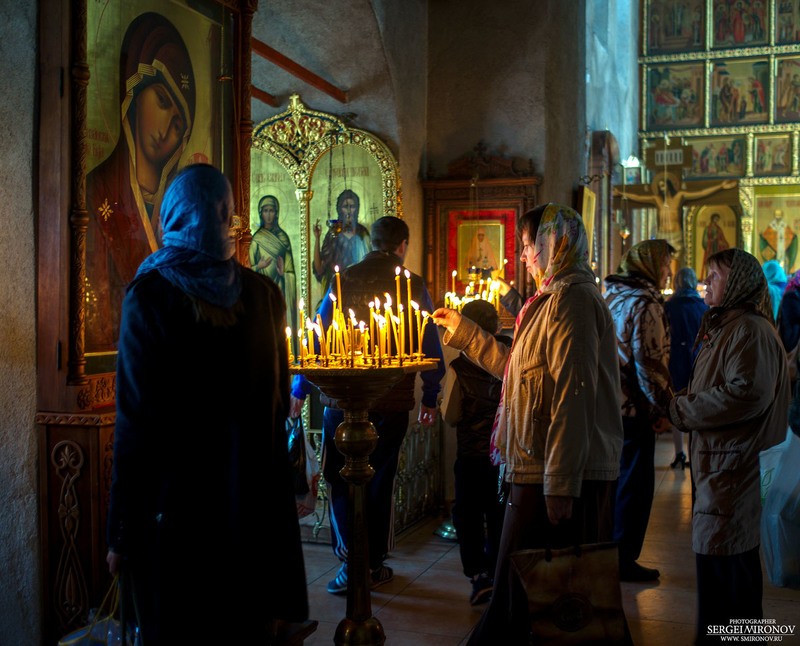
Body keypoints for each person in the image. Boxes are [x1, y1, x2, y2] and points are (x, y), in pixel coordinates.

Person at [105, 164, 309, 643]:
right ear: (226, 215)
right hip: (253, 512)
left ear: (172, 215)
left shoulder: (151, 296)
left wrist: (121, 532)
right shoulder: (263, 295)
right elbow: (278, 406)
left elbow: (135, 426)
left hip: (179, 520)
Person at [432, 204, 624, 644]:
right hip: (538, 464)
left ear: (553, 243)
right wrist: (465, 331)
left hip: (554, 470)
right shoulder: (549, 300)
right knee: (519, 590)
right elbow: (519, 371)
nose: (522, 256)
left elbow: (572, 396)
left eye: (528, 246)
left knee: (547, 595)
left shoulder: (572, 300)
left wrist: (560, 484)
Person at [292, 215, 445, 595]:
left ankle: (351, 562)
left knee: (340, 479)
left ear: (372, 241)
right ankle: (372, 562)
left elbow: (317, 336)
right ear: (402, 245)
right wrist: (430, 394)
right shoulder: (412, 284)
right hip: (391, 400)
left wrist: (298, 389)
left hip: (340, 400)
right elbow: (429, 344)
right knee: (380, 481)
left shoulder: (342, 280)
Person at [668, 248, 789, 644]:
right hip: (720, 468)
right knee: (722, 578)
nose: (707, 284)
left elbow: (746, 393)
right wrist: (686, 398)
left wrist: (685, 410)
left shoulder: (749, 329)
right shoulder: (727, 326)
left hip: (733, 471)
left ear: (736, 282)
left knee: (729, 581)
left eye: (715, 276)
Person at [86, 12, 196, 353]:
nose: (165, 130)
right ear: (133, 91)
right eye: (162, 101)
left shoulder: (176, 208)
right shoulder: (96, 191)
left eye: (178, 123)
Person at [604, 239, 674, 582]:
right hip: (634, 408)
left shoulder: (611, 295)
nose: (668, 273)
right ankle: (623, 558)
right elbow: (650, 363)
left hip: (607, 405)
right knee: (635, 485)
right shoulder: (646, 303)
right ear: (649, 266)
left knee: (615, 483)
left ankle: (611, 554)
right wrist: (662, 408)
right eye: (664, 266)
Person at [440, 299, 510, 606]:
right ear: (495, 326)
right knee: (498, 514)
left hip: (470, 455)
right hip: (502, 454)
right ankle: (499, 572)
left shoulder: (459, 368)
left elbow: (451, 415)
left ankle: (478, 575)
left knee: (467, 515)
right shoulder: (510, 356)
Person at [613, 174, 736, 273]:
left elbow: (700, 192)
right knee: (660, 264)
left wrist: (720, 186)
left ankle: (673, 288)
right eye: (660, 186)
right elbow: (638, 197)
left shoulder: (679, 197)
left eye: (664, 185)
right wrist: (622, 193)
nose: (662, 188)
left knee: (675, 264)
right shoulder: (657, 200)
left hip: (675, 235)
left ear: (669, 185)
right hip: (662, 235)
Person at [663, 267, 708, 469]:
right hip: (698, 359)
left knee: (677, 403)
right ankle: (694, 453)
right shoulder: (702, 306)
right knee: (697, 403)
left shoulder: (669, 306)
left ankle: (679, 453)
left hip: (675, 359)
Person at [312, 188, 371, 303]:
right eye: (345, 206)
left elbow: (369, 265)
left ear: (357, 209)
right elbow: (320, 269)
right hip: (336, 291)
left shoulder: (363, 233)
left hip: (359, 291)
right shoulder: (333, 234)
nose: (349, 211)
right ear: (340, 210)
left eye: (352, 206)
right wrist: (317, 238)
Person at [250, 195, 298, 333]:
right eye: (266, 211)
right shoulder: (256, 240)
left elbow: (290, 272)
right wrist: (258, 267)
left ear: (276, 213)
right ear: (261, 213)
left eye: (271, 211)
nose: (269, 215)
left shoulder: (283, 238)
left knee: (279, 326)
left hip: (280, 288)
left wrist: (284, 273)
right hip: (261, 288)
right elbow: (248, 268)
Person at [760, 209, 797, 275]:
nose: (778, 218)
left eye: (779, 216)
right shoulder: (771, 226)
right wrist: (762, 237)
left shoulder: (785, 226)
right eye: (777, 216)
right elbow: (766, 236)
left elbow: (791, 235)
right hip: (773, 252)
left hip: (782, 250)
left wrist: (793, 237)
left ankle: (784, 275)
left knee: (784, 264)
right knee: (774, 263)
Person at [701, 212, 730, 279]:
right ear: (712, 219)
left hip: (717, 249)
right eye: (715, 219)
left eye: (717, 219)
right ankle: (708, 277)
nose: (716, 221)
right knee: (708, 264)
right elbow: (704, 241)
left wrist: (722, 243)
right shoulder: (707, 229)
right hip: (710, 249)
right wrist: (712, 240)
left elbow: (723, 239)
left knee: (717, 264)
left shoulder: (719, 229)